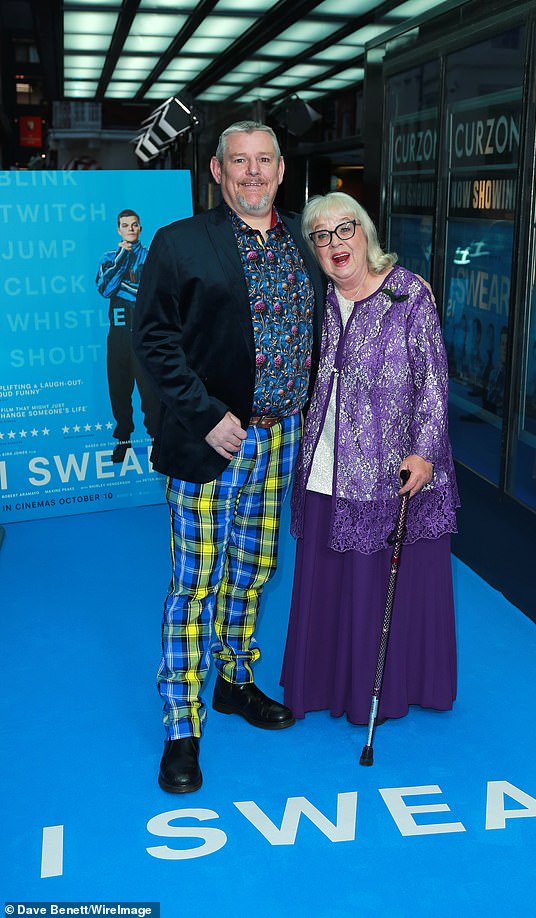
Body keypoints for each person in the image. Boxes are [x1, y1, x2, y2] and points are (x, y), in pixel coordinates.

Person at [133, 121, 325, 793]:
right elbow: (151, 338)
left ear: (280, 168)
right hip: (207, 442)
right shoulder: (180, 243)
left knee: (253, 570)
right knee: (196, 583)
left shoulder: (307, 239)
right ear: (216, 171)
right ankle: (180, 727)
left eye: (264, 160)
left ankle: (235, 681)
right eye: (238, 161)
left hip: (279, 440)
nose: (252, 172)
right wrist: (207, 414)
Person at [281, 192, 459, 725]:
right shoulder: (316, 298)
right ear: (312, 249)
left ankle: (388, 689)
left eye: (344, 230)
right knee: (328, 576)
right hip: (325, 462)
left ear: (365, 232)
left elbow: (434, 378)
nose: (335, 244)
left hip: (393, 467)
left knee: (385, 581)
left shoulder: (407, 294)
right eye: (321, 236)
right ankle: (322, 685)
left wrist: (425, 452)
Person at [96, 209, 160, 462]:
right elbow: (105, 289)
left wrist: (122, 286)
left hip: (145, 334)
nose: (130, 229)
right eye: (125, 225)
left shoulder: (151, 256)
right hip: (119, 334)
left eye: (135, 225)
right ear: (118, 229)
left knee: (150, 391)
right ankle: (123, 439)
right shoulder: (110, 257)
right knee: (119, 388)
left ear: (140, 228)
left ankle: (157, 438)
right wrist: (123, 257)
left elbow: (152, 292)